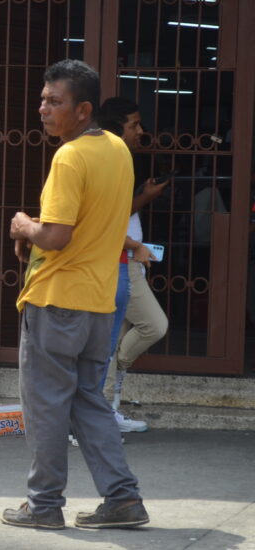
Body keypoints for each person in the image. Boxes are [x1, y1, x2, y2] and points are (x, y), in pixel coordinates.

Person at [3, 59, 148, 530]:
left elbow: (57, 236)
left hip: (56, 298)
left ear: (83, 109)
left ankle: (44, 505)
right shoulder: (118, 151)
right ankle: (123, 498)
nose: (43, 108)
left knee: (46, 406)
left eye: (55, 101)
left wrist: (25, 225)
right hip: (99, 302)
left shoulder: (69, 157)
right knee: (88, 401)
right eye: (43, 99)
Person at [96, 98, 169, 430]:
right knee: (153, 325)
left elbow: (119, 209)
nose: (141, 131)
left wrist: (143, 194)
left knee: (115, 336)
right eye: (134, 125)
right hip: (119, 259)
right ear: (116, 128)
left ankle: (109, 407)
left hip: (127, 258)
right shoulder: (109, 159)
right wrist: (136, 245)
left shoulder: (121, 158)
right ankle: (104, 398)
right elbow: (106, 218)